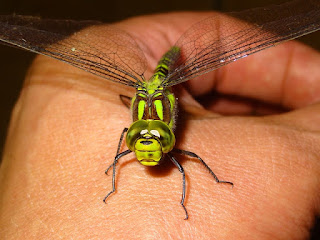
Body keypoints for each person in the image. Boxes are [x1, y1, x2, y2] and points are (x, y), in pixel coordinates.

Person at [0, 12, 319, 239]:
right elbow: (126, 135)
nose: (147, 146)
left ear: (170, 131)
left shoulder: (168, 125)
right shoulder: (133, 134)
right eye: (141, 139)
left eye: (158, 138)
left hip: (171, 65)